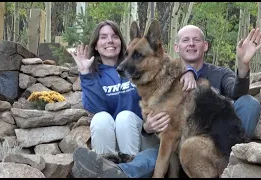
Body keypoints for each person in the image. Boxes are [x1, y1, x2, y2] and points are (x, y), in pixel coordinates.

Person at [71, 20, 197, 178]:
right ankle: (106, 170)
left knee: (125, 118)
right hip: (109, 140)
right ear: (95, 45)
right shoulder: (94, 74)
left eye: (114, 36)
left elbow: (166, 66)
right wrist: (85, 74)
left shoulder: (142, 71)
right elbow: (97, 109)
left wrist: (190, 71)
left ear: (121, 42)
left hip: (141, 136)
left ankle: (127, 172)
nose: (109, 40)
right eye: (103, 37)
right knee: (100, 119)